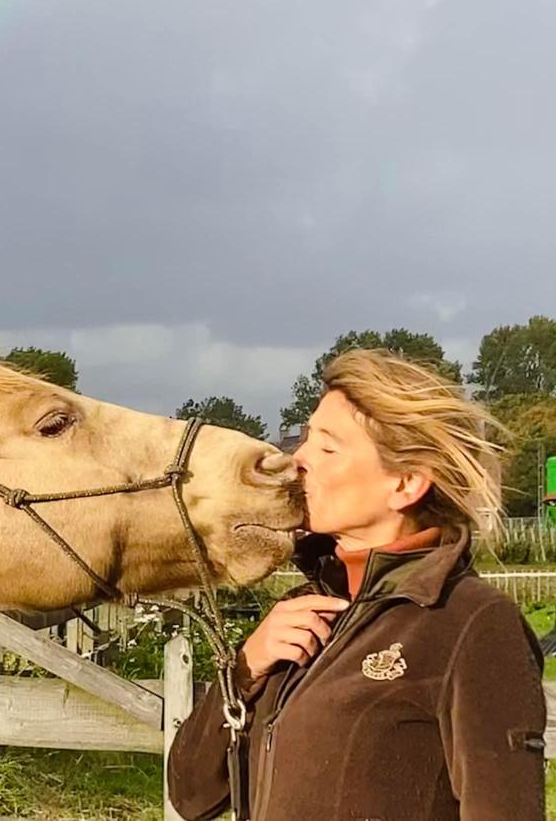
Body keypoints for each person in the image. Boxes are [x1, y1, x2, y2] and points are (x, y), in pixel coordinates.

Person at [167, 349, 546, 821]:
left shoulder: (471, 624)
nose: (297, 458)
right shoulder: (303, 609)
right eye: (305, 439)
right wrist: (246, 669)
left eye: (327, 448)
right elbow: (191, 795)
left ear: (406, 483)